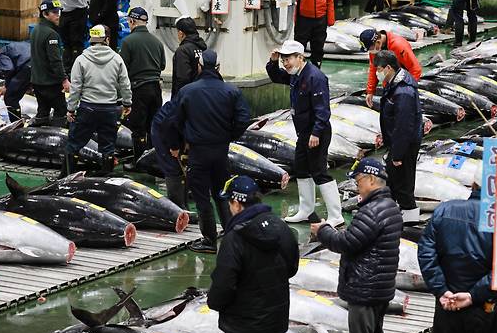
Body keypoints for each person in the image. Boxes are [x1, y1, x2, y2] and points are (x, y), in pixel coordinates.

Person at [311, 157, 402, 333]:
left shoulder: (371, 211)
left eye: (359, 180)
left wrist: (323, 231)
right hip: (381, 289)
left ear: (372, 179)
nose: (357, 186)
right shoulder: (390, 206)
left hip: (364, 290)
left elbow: (347, 243)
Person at [417, 165, 497, 333]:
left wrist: (442, 290)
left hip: (447, 308)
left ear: (473, 184)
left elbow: (426, 253)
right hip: (484, 310)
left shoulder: (445, 210)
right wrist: (473, 296)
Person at [208, 175, 299, 333]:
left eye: (229, 202)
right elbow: (292, 267)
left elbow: (223, 286)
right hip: (275, 324)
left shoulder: (235, 238)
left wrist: (215, 303)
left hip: (245, 330)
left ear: (237, 204)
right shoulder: (280, 226)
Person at [166, 50, 250, 253]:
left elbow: (173, 121)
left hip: (198, 153)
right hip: (221, 152)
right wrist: (229, 136)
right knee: (222, 194)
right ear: (218, 67)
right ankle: (231, 237)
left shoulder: (187, 91)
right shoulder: (231, 91)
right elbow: (243, 119)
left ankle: (209, 240)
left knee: (202, 197)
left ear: (199, 66)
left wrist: (175, 145)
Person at [266, 40, 344, 228]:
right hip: (303, 132)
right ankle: (306, 210)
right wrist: (273, 62)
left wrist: (316, 133)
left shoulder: (315, 77)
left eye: (288, 59)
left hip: (317, 132)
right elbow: (277, 76)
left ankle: (336, 215)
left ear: (300, 58)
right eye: (284, 60)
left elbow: (323, 110)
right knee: (301, 168)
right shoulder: (295, 75)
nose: (286, 64)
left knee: (319, 171)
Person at [63, 24, 132, 177]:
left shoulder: (81, 59)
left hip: (87, 109)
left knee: (73, 144)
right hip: (109, 109)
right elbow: (125, 85)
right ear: (107, 39)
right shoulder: (117, 59)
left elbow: (76, 88)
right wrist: (127, 103)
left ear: (91, 39)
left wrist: (71, 109)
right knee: (107, 147)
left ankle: (65, 179)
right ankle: (105, 182)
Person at [375, 50, 422, 223]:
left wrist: (398, 154)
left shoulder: (403, 91)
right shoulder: (395, 83)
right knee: (394, 184)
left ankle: (410, 224)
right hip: (398, 143)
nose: (376, 73)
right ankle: (397, 220)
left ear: (388, 68)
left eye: (378, 69)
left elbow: (404, 126)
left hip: (404, 146)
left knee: (403, 187)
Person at [119, 6, 166, 170]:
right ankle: (155, 162)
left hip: (138, 90)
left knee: (138, 128)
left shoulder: (128, 42)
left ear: (132, 21)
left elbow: (122, 68)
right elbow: (162, 65)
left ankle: (139, 163)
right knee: (153, 126)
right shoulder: (157, 42)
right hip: (156, 89)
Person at [30, 0, 70, 127]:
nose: (58, 15)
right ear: (45, 14)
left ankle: (39, 140)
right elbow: (55, 61)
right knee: (61, 111)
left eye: (58, 12)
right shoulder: (51, 34)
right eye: (54, 12)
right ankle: (56, 143)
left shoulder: (36, 30)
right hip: (50, 83)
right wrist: (64, 80)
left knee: (43, 111)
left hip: (37, 81)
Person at [359, 29, 422, 108]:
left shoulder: (399, 45)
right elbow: (374, 68)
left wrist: (408, 91)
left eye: (370, 49)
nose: (370, 52)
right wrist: (370, 91)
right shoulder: (374, 48)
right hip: (389, 83)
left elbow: (415, 69)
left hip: (404, 83)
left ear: (378, 42)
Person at [295, 0, 335, 68]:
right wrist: (293, 20)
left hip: (320, 20)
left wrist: (331, 20)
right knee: (299, 46)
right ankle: (298, 70)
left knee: (318, 47)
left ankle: (316, 70)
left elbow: (330, 0)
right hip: (303, 19)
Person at [52, 0, 89, 74]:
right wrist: (54, 10)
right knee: (66, 42)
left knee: (76, 43)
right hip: (64, 13)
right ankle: (66, 70)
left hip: (77, 13)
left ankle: (78, 70)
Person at [151, 100, 188, 209]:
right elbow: (169, 125)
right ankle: (177, 210)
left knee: (185, 166)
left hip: (178, 126)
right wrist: (174, 146)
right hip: (163, 127)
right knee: (173, 167)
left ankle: (184, 205)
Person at [0, 42, 32, 121]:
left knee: (10, 98)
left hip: (27, 67)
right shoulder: (15, 46)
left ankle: (17, 124)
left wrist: (7, 86)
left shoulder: (0, 54)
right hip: (40, 63)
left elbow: (9, 69)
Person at [171, 16, 207, 99]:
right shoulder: (203, 47)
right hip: (201, 95)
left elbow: (182, 78)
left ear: (181, 33)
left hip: (186, 97)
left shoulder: (183, 50)